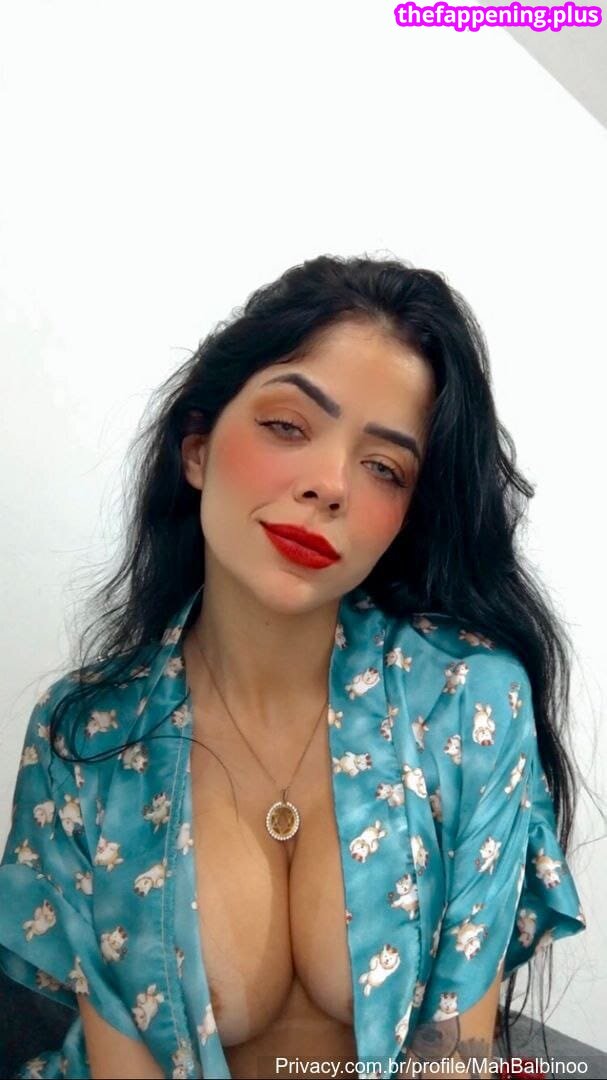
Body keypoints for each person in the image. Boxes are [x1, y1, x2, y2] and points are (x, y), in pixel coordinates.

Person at [0, 254, 586, 1080]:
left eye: (383, 467)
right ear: (196, 450)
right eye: (287, 426)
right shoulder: (88, 738)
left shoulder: (466, 699)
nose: (330, 485)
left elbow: (452, 1056)